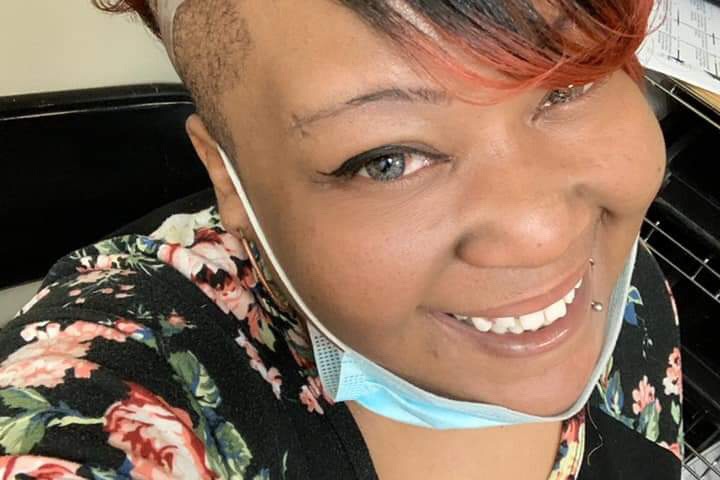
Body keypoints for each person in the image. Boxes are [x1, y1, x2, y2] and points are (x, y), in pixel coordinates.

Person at [0, 0, 684, 478]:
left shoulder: (624, 294)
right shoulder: (110, 404)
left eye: (570, 83)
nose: (543, 234)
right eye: (386, 160)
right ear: (227, 178)